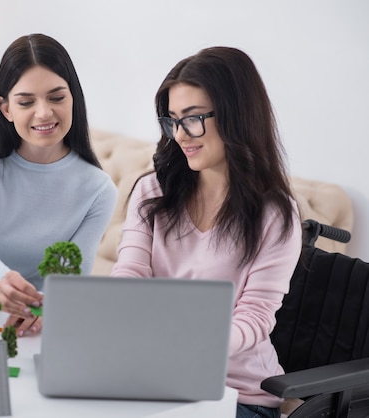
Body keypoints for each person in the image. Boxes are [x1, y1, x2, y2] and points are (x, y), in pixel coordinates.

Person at [111, 46, 302, 418]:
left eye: (193, 118)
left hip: (235, 396)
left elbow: (255, 318)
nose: (181, 135)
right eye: (172, 121)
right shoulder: (153, 192)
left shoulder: (275, 214)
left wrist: (188, 343)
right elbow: (129, 276)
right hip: (153, 380)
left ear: (236, 116)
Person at [0, 33, 117, 337]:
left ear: (74, 98)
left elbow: (70, 275)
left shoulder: (98, 190)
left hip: (29, 327)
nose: (44, 112)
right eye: (26, 102)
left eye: (57, 97)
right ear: (6, 108)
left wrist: (47, 308)